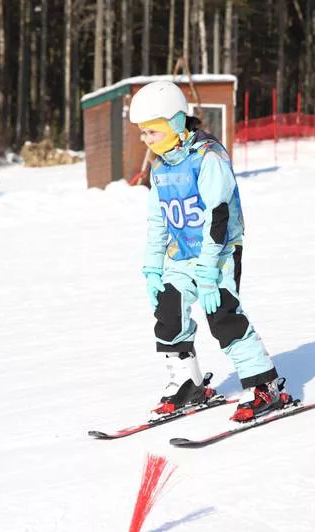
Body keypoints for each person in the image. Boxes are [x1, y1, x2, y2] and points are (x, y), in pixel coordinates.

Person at [129, 80, 291, 422]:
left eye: (152, 131)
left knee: (223, 317)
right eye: (143, 132)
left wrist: (206, 271)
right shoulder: (161, 167)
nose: (146, 139)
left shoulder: (208, 158)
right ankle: (188, 384)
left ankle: (264, 385)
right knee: (168, 315)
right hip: (181, 256)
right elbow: (158, 221)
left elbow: (218, 217)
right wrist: (152, 269)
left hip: (218, 254)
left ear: (175, 124)